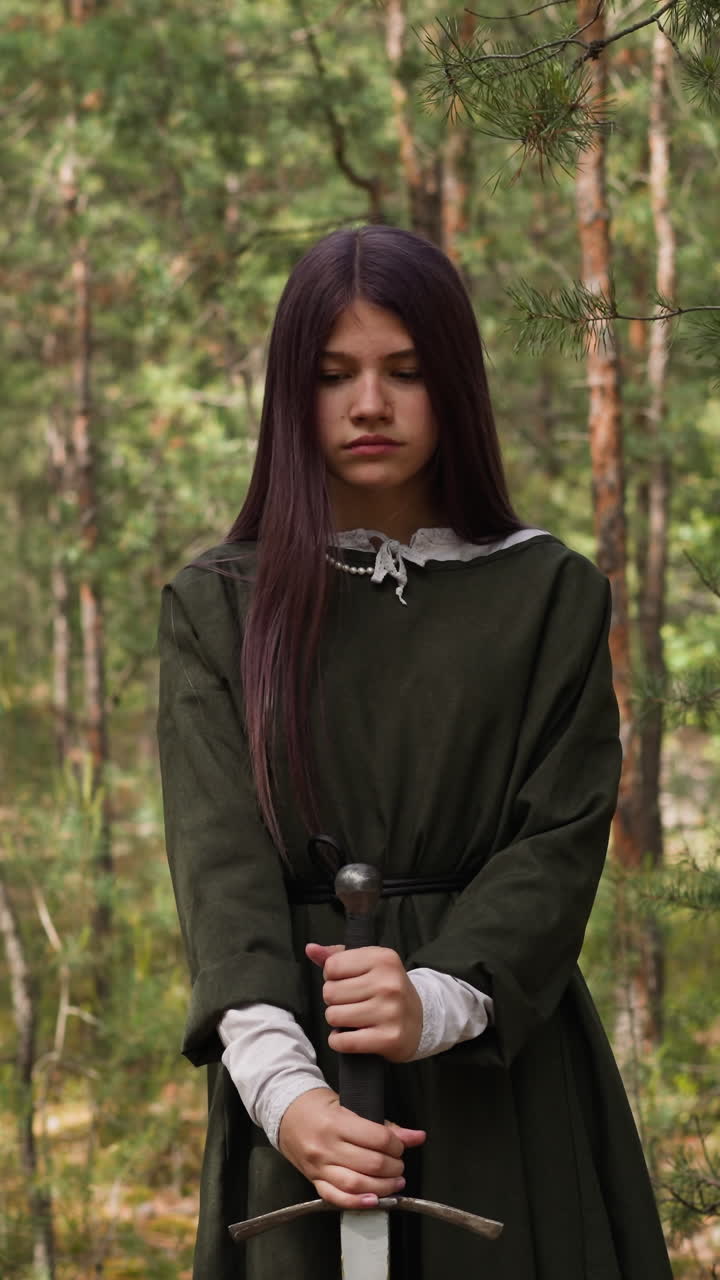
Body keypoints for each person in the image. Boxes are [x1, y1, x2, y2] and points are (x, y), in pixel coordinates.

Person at [156, 224, 672, 1280]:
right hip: (294, 1063)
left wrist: (436, 996)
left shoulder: (545, 594)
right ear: (289, 396)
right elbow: (221, 869)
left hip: (500, 1067)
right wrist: (289, 1096)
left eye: (406, 371)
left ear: (456, 387)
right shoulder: (219, 604)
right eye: (333, 374)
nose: (370, 405)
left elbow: (559, 839)